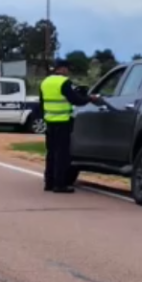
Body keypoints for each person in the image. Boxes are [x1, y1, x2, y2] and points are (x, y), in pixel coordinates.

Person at [39, 59, 101, 193]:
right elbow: (76, 100)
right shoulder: (64, 82)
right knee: (62, 154)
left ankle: (48, 182)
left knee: (51, 153)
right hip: (63, 121)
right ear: (62, 69)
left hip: (49, 120)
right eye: (67, 68)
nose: (68, 71)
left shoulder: (45, 82)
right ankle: (59, 184)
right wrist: (90, 98)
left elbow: (41, 102)